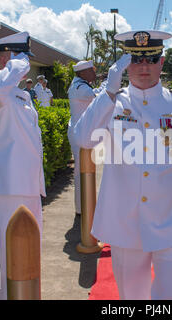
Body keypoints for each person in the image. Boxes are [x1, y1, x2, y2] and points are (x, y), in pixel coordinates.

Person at [69, 30, 172, 300]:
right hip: (127, 224)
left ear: (162, 62)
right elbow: (83, 139)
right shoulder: (111, 103)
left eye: (151, 59)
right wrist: (109, 91)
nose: (144, 67)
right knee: (131, 297)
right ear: (125, 66)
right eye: (136, 60)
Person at [0, 31, 46, 300]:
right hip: (4, 187)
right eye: (22, 59)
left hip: (28, 186)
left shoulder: (21, 96)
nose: (26, 65)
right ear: (6, 59)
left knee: (28, 258)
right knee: (5, 262)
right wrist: (15, 64)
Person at [67, 60, 101, 216]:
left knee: (85, 170)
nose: (94, 73)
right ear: (82, 73)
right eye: (91, 71)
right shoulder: (80, 88)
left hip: (81, 131)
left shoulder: (80, 85)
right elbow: (99, 98)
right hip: (80, 133)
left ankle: (85, 205)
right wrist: (109, 82)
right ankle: (82, 208)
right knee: (82, 171)